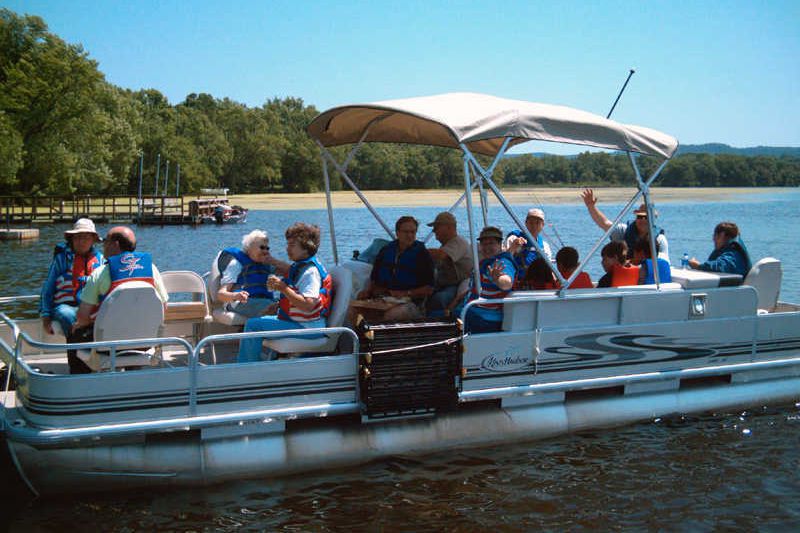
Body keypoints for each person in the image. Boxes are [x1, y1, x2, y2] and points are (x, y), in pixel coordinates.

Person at [71, 226, 169, 374]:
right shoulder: (152, 270)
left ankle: (78, 383)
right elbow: (164, 307)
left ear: (115, 244)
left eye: (105, 241)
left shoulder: (99, 273)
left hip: (108, 346)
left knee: (76, 331)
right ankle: (133, 374)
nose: (103, 246)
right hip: (143, 344)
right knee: (133, 338)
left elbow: (82, 317)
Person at [238, 223, 332, 363]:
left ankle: (246, 370)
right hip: (301, 323)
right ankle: (264, 363)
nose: (287, 249)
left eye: (292, 245)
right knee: (257, 320)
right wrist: (278, 306)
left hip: (308, 329)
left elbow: (309, 305)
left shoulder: (310, 272)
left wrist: (283, 288)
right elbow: (297, 292)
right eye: (287, 244)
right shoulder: (301, 266)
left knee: (253, 325)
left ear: (307, 247)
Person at [358, 216, 434, 321]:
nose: (410, 235)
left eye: (413, 232)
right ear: (397, 233)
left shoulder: (422, 255)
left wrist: (405, 293)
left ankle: (381, 336)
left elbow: (429, 289)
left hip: (411, 303)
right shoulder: (386, 251)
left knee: (390, 315)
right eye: (406, 232)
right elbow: (374, 278)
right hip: (383, 299)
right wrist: (367, 291)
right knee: (353, 311)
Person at [39, 218, 104, 338]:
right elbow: (48, 288)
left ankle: (94, 347)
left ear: (93, 240)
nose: (82, 241)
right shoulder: (62, 259)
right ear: (72, 239)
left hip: (91, 306)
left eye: (86, 237)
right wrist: (46, 317)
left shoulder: (100, 260)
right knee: (65, 314)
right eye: (78, 237)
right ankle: (80, 346)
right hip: (66, 306)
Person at [580, 189, 670, 264]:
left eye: (646, 217)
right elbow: (604, 223)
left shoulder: (660, 239)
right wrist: (591, 206)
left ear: (652, 220)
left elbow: (663, 263)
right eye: (639, 216)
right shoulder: (623, 231)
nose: (642, 220)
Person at [454, 226, 516, 334]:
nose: (487, 247)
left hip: (486, 317)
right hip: (475, 311)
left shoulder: (502, 263)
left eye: (491, 243)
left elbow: (507, 283)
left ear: (500, 244)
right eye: (484, 244)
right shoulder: (486, 262)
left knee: (436, 316)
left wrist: (498, 279)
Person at [216, 230, 287, 319]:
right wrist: (236, 296)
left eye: (267, 248)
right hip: (239, 303)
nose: (265, 251)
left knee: (287, 305)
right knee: (275, 309)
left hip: (262, 301)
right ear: (249, 248)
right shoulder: (236, 264)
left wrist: (274, 261)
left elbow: (291, 272)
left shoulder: (266, 265)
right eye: (262, 247)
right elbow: (221, 295)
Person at [425, 212, 472, 315]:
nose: (434, 231)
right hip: (444, 284)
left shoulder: (458, 242)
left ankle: (438, 320)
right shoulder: (447, 245)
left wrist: (418, 250)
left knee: (440, 298)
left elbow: (441, 255)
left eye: (437, 227)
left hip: (458, 284)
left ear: (449, 227)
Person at [505, 208, 553, 285]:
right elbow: (504, 260)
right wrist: (513, 247)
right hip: (517, 283)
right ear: (526, 223)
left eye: (537, 223)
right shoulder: (513, 239)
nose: (534, 226)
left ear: (542, 225)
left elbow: (549, 268)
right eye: (531, 222)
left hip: (538, 284)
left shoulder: (544, 245)